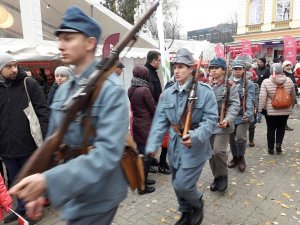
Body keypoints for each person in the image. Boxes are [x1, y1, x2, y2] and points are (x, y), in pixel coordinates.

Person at [10, 6, 129, 225]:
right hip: (71, 191)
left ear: (90, 43)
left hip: (100, 194)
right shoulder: (65, 89)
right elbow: (53, 143)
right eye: (60, 38)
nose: (60, 44)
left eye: (68, 38)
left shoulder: (110, 90)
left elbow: (108, 154)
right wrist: (38, 191)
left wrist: (48, 181)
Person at [146, 48, 218, 225]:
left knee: (183, 184)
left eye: (181, 67)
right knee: (176, 183)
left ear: (191, 68)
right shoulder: (168, 93)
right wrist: (152, 145)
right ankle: (186, 212)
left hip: (195, 146)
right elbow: (160, 121)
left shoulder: (205, 92)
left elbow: (211, 120)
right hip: (174, 146)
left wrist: (195, 135)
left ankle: (197, 203)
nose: (176, 71)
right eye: (174, 67)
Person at [0, 53, 49, 224]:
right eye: (9, 66)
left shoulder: (29, 83)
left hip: (28, 144)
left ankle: (33, 211)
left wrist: (44, 142)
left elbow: (43, 112)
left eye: (15, 65)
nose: (14, 69)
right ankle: (21, 209)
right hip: (6, 147)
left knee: (30, 179)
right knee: (15, 180)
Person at [207, 58, 240, 193]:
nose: (213, 70)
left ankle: (223, 176)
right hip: (208, 124)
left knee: (218, 151)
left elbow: (235, 104)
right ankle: (217, 177)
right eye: (211, 68)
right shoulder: (206, 85)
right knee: (209, 154)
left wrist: (228, 119)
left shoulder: (230, 86)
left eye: (216, 68)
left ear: (223, 70)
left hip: (223, 125)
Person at [128, 65, 156, 194]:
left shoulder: (131, 88)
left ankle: (142, 179)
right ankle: (142, 185)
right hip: (146, 125)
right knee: (147, 154)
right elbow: (153, 108)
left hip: (137, 124)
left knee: (140, 152)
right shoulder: (145, 89)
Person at [258, 63, 295, 155]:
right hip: (285, 109)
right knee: (281, 128)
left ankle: (271, 148)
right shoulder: (289, 80)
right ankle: (278, 145)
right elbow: (293, 95)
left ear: (271, 71)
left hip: (270, 111)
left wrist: (260, 108)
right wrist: (292, 106)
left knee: (271, 129)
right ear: (281, 70)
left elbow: (262, 97)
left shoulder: (266, 82)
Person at [228, 60, 254, 173]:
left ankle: (241, 157)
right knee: (232, 139)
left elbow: (250, 99)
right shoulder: (227, 82)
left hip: (242, 114)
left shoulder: (249, 84)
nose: (237, 71)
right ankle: (235, 157)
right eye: (235, 69)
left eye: (239, 69)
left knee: (240, 138)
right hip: (229, 115)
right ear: (232, 70)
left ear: (243, 70)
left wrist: (248, 113)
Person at [282, 60, 296, 131]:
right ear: (283, 66)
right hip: (285, 95)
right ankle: (283, 125)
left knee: (288, 110)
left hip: (291, 94)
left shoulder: (291, 73)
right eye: (287, 65)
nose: (289, 67)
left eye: (290, 65)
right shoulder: (283, 74)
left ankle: (284, 124)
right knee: (284, 111)